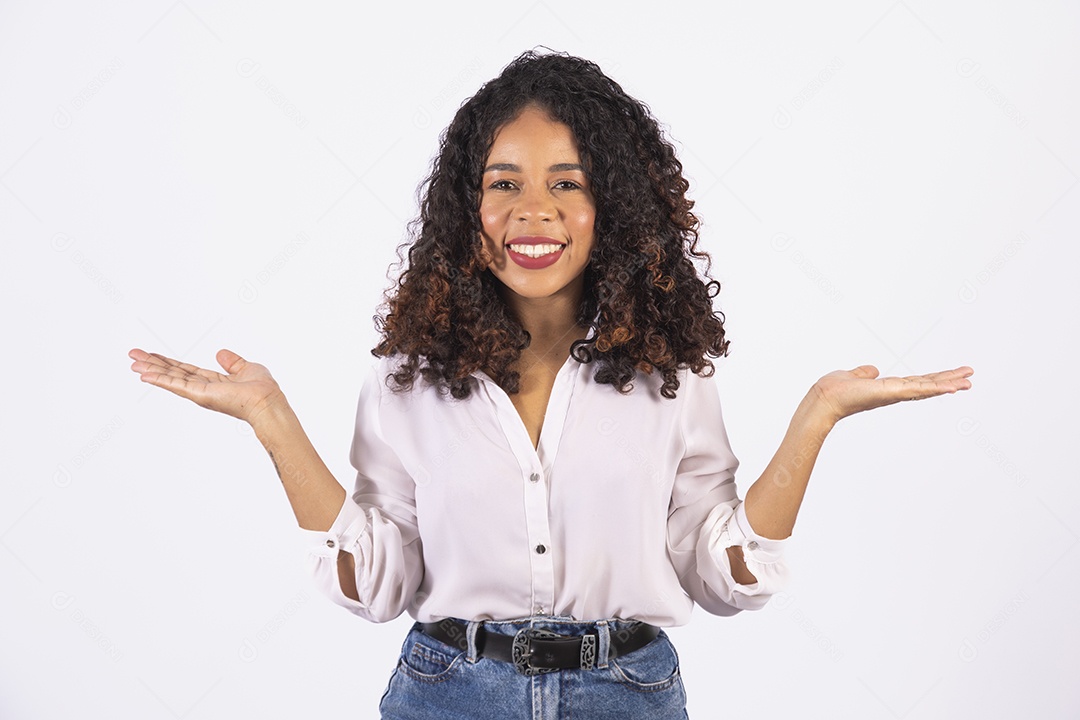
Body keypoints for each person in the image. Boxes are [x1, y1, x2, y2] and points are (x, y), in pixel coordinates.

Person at [128, 50, 973, 719]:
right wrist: (272, 421)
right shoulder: (405, 382)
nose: (534, 212)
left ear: (615, 206)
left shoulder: (669, 380)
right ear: (470, 207)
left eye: (567, 184)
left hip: (628, 697)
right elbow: (379, 584)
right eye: (505, 185)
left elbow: (724, 578)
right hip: (447, 695)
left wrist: (816, 419)